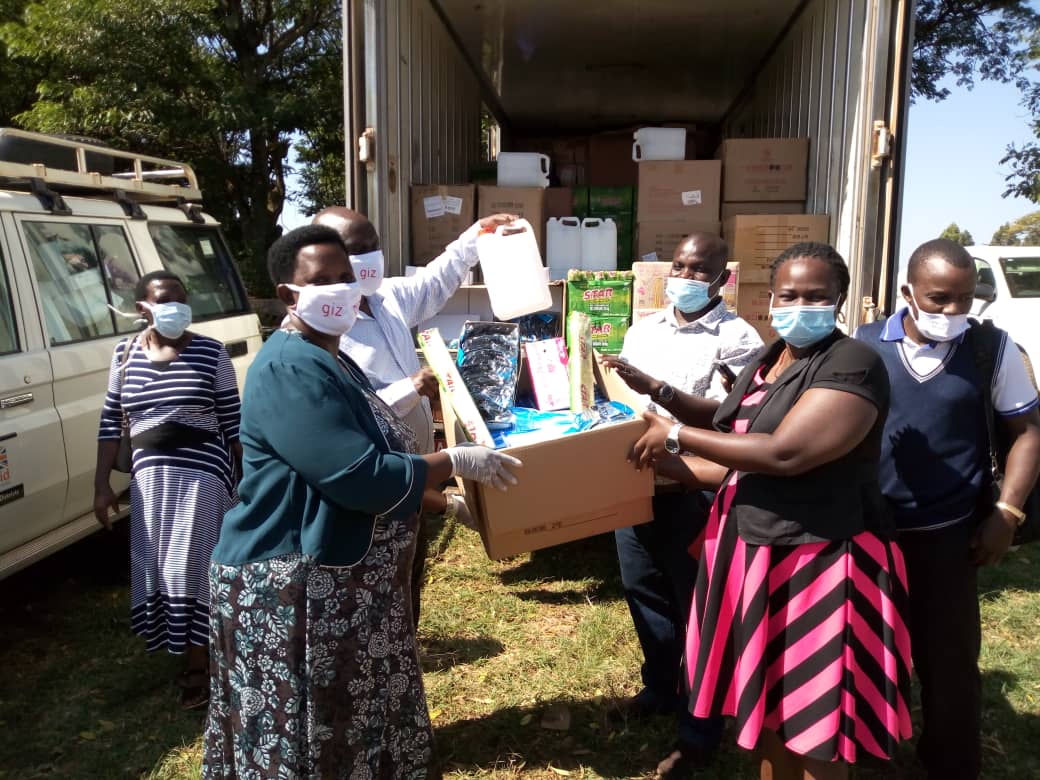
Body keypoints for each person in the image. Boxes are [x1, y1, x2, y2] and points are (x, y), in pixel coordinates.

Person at [202, 225, 522, 778]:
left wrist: (443, 504)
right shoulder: (288, 368)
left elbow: (370, 454)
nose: (341, 290)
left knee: (359, 712)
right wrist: (454, 463)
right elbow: (356, 476)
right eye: (321, 281)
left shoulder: (331, 358)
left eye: (346, 278)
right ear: (288, 295)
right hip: (294, 584)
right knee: (311, 726)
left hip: (348, 582)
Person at [630, 242, 911, 780]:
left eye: (816, 296)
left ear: (840, 300)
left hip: (821, 564)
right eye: (788, 295)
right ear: (769, 298)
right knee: (771, 712)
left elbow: (785, 452)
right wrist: (655, 429)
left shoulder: (852, 362)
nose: (800, 306)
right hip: (757, 553)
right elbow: (735, 438)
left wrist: (674, 440)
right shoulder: (773, 357)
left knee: (816, 719)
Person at [855, 238, 1040, 780]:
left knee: (950, 663)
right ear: (908, 293)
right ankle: (868, 753)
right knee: (870, 651)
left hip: (950, 535)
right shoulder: (864, 346)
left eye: (964, 299)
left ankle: (949, 761)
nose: (952, 312)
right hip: (872, 531)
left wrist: (1007, 512)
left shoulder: (992, 349)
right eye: (938, 299)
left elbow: (1027, 431)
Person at [600, 232, 762, 777]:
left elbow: (734, 422)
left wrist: (665, 400)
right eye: (679, 266)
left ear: (722, 278)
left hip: (693, 487)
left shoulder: (739, 338)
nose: (685, 277)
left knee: (698, 603)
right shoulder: (643, 329)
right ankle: (660, 687)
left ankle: (702, 721)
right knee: (641, 587)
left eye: (699, 270)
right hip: (634, 483)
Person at [311, 206, 516, 626]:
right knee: (375, 574)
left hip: (416, 465)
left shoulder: (386, 298)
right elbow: (349, 413)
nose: (368, 257)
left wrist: (474, 237)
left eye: (373, 246)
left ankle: (407, 643)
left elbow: (434, 281)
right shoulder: (327, 329)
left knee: (411, 563)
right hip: (374, 479)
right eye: (356, 249)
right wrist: (415, 388)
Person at [94, 270, 242, 710]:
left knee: (189, 570)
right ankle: (192, 653)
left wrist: (249, 476)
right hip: (150, 484)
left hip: (202, 479)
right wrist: (101, 485)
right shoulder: (123, 355)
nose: (175, 305)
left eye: (180, 297)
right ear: (143, 307)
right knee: (159, 569)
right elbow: (110, 424)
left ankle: (203, 666)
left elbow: (233, 423)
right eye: (164, 299)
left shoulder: (211, 353)